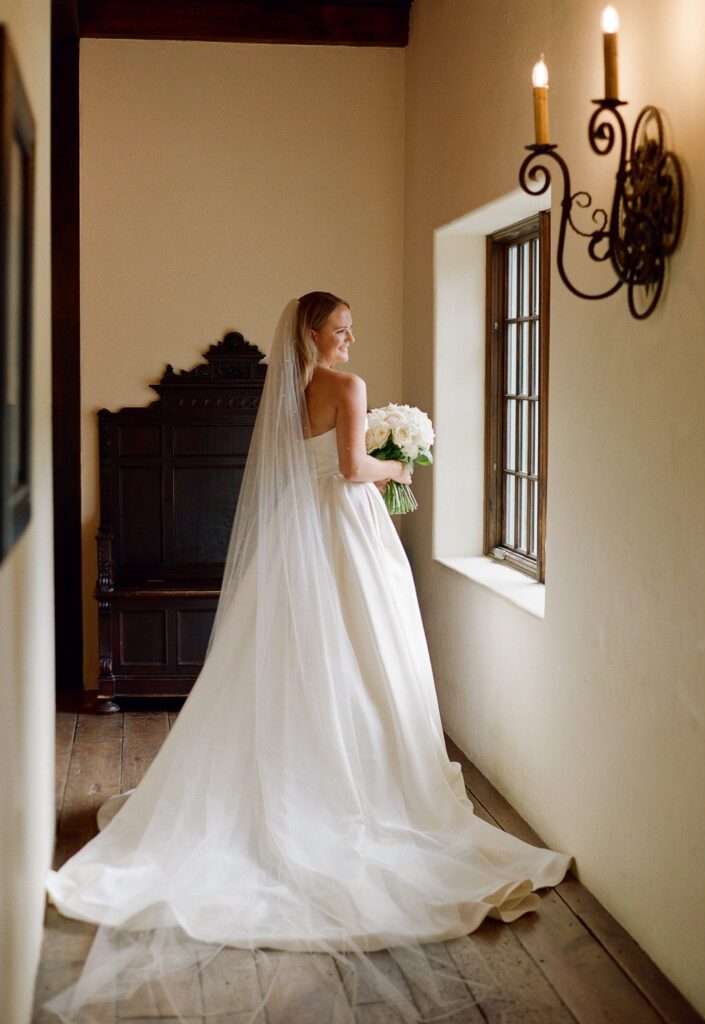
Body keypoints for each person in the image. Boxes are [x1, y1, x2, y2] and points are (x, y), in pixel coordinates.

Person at [43, 293, 572, 1024]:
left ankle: (302, 773)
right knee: (365, 654)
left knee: (305, 661)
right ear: (313, 333)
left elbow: (312, 463)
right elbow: (352, 468)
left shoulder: (287, 391)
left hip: (302, 545)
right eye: (340, 330)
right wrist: (398, 467)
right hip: (347, 535)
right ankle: (358, 782)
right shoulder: (346, 388)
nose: (351, 340)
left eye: (353, 329)